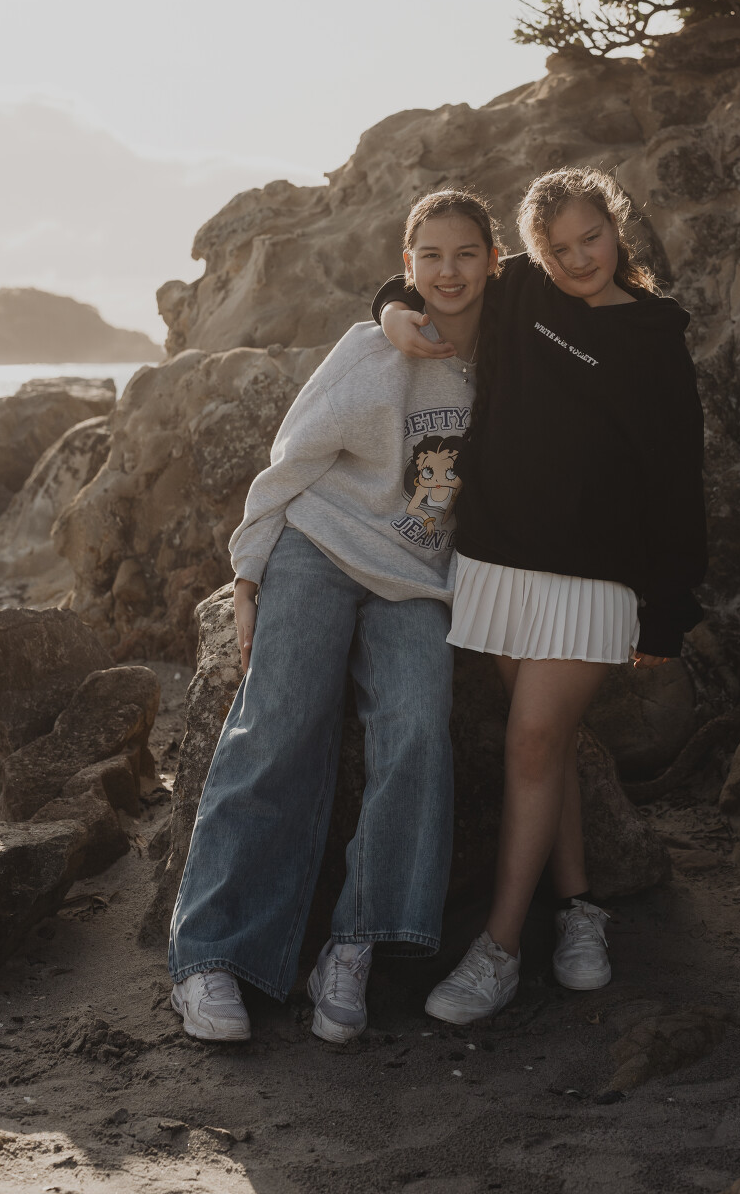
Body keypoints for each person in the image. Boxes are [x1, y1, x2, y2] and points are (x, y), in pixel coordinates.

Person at [373, 166, 706, 1023]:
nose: (577, 259)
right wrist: (391, 313)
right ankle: (579, 908)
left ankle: (498, 950)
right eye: (556, 249)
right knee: (546, 749)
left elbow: (678, 479)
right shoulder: (519, 291)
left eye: (590, 238)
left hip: (594, 580)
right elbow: (429, 280)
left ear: (615, 227)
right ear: (529, 253)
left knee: (529, 742)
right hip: (495, 565)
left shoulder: (654, 334)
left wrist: (668, 610)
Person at [168, 189, 498, 1044]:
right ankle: (210, 955)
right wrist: (248, 570)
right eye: (430, 256)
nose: (448, 271)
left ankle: (352, 946)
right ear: (407, 263)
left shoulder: (506, 363)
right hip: (317, 545)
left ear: (493, 261)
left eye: (466, 253)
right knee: (278, 719)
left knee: (417, 724)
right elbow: (293, 456)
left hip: (414, 578)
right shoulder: (368, 348)